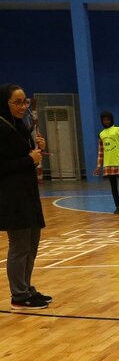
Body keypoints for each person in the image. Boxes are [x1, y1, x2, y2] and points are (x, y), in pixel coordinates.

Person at [0, 83, 51, 311]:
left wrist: (37, 146)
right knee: (20, 245)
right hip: (11, 195)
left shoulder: (19, 125)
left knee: (32, 242)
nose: (23, 106)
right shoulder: (1, 128)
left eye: (24, 101)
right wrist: (29, 160)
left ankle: (27, 287)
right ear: (5, 103)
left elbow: (26, 152)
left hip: (27, 192)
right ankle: (18, 295)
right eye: (17, 102)